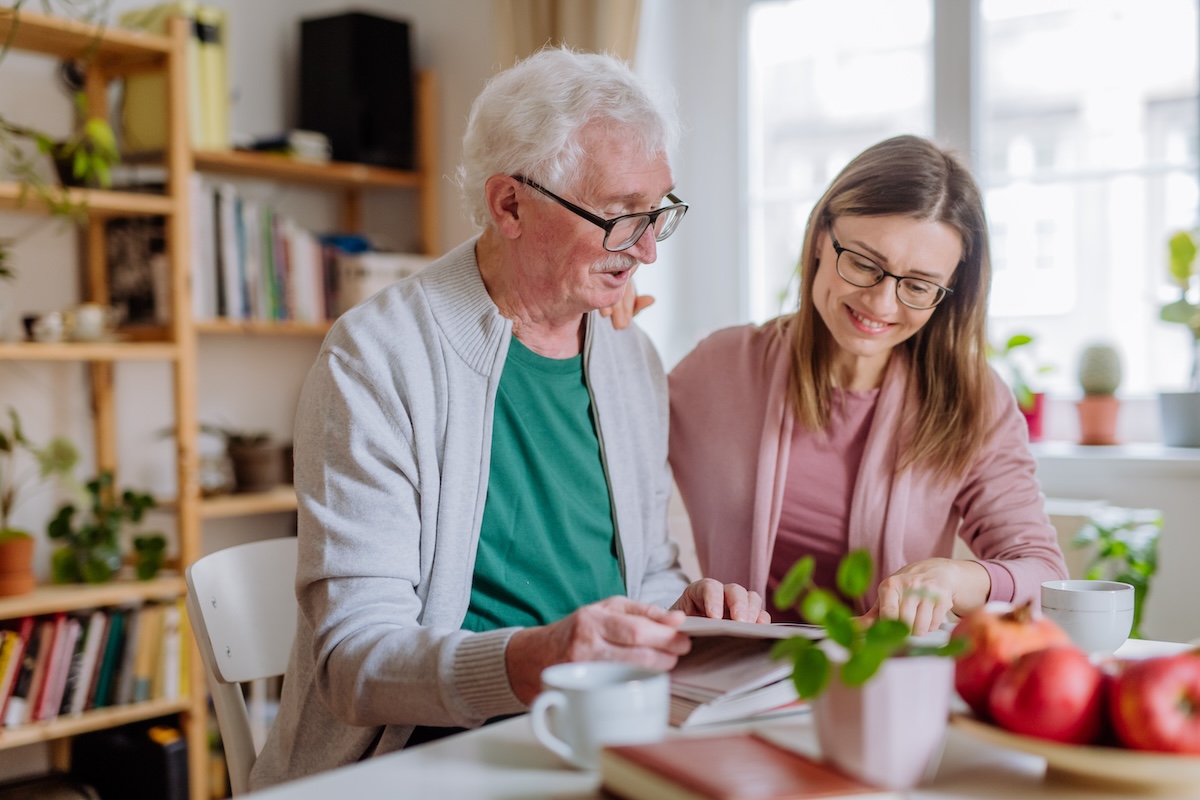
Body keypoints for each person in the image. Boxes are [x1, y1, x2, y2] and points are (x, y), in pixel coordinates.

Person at [249, 48, 767, 790]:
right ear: (510, 206)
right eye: (621, 217)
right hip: (423, 761)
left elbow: (644, 571)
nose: (649, 249)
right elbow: (353, 664)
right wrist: (531, 661)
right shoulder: (376, 356)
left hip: (589, 740)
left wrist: (678, 616)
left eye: (659, 212)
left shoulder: (630, 359)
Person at [665, 135, 1067, 637]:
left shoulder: (973, 401)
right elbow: (604, 460)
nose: (881, 303)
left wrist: (956, 576)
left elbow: (1046, 576)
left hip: (883, 682)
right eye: (862, 262)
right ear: (820, 237)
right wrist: (598, 324)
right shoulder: (720, 369)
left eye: (918, 285)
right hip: (732, 678)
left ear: (949, 293)